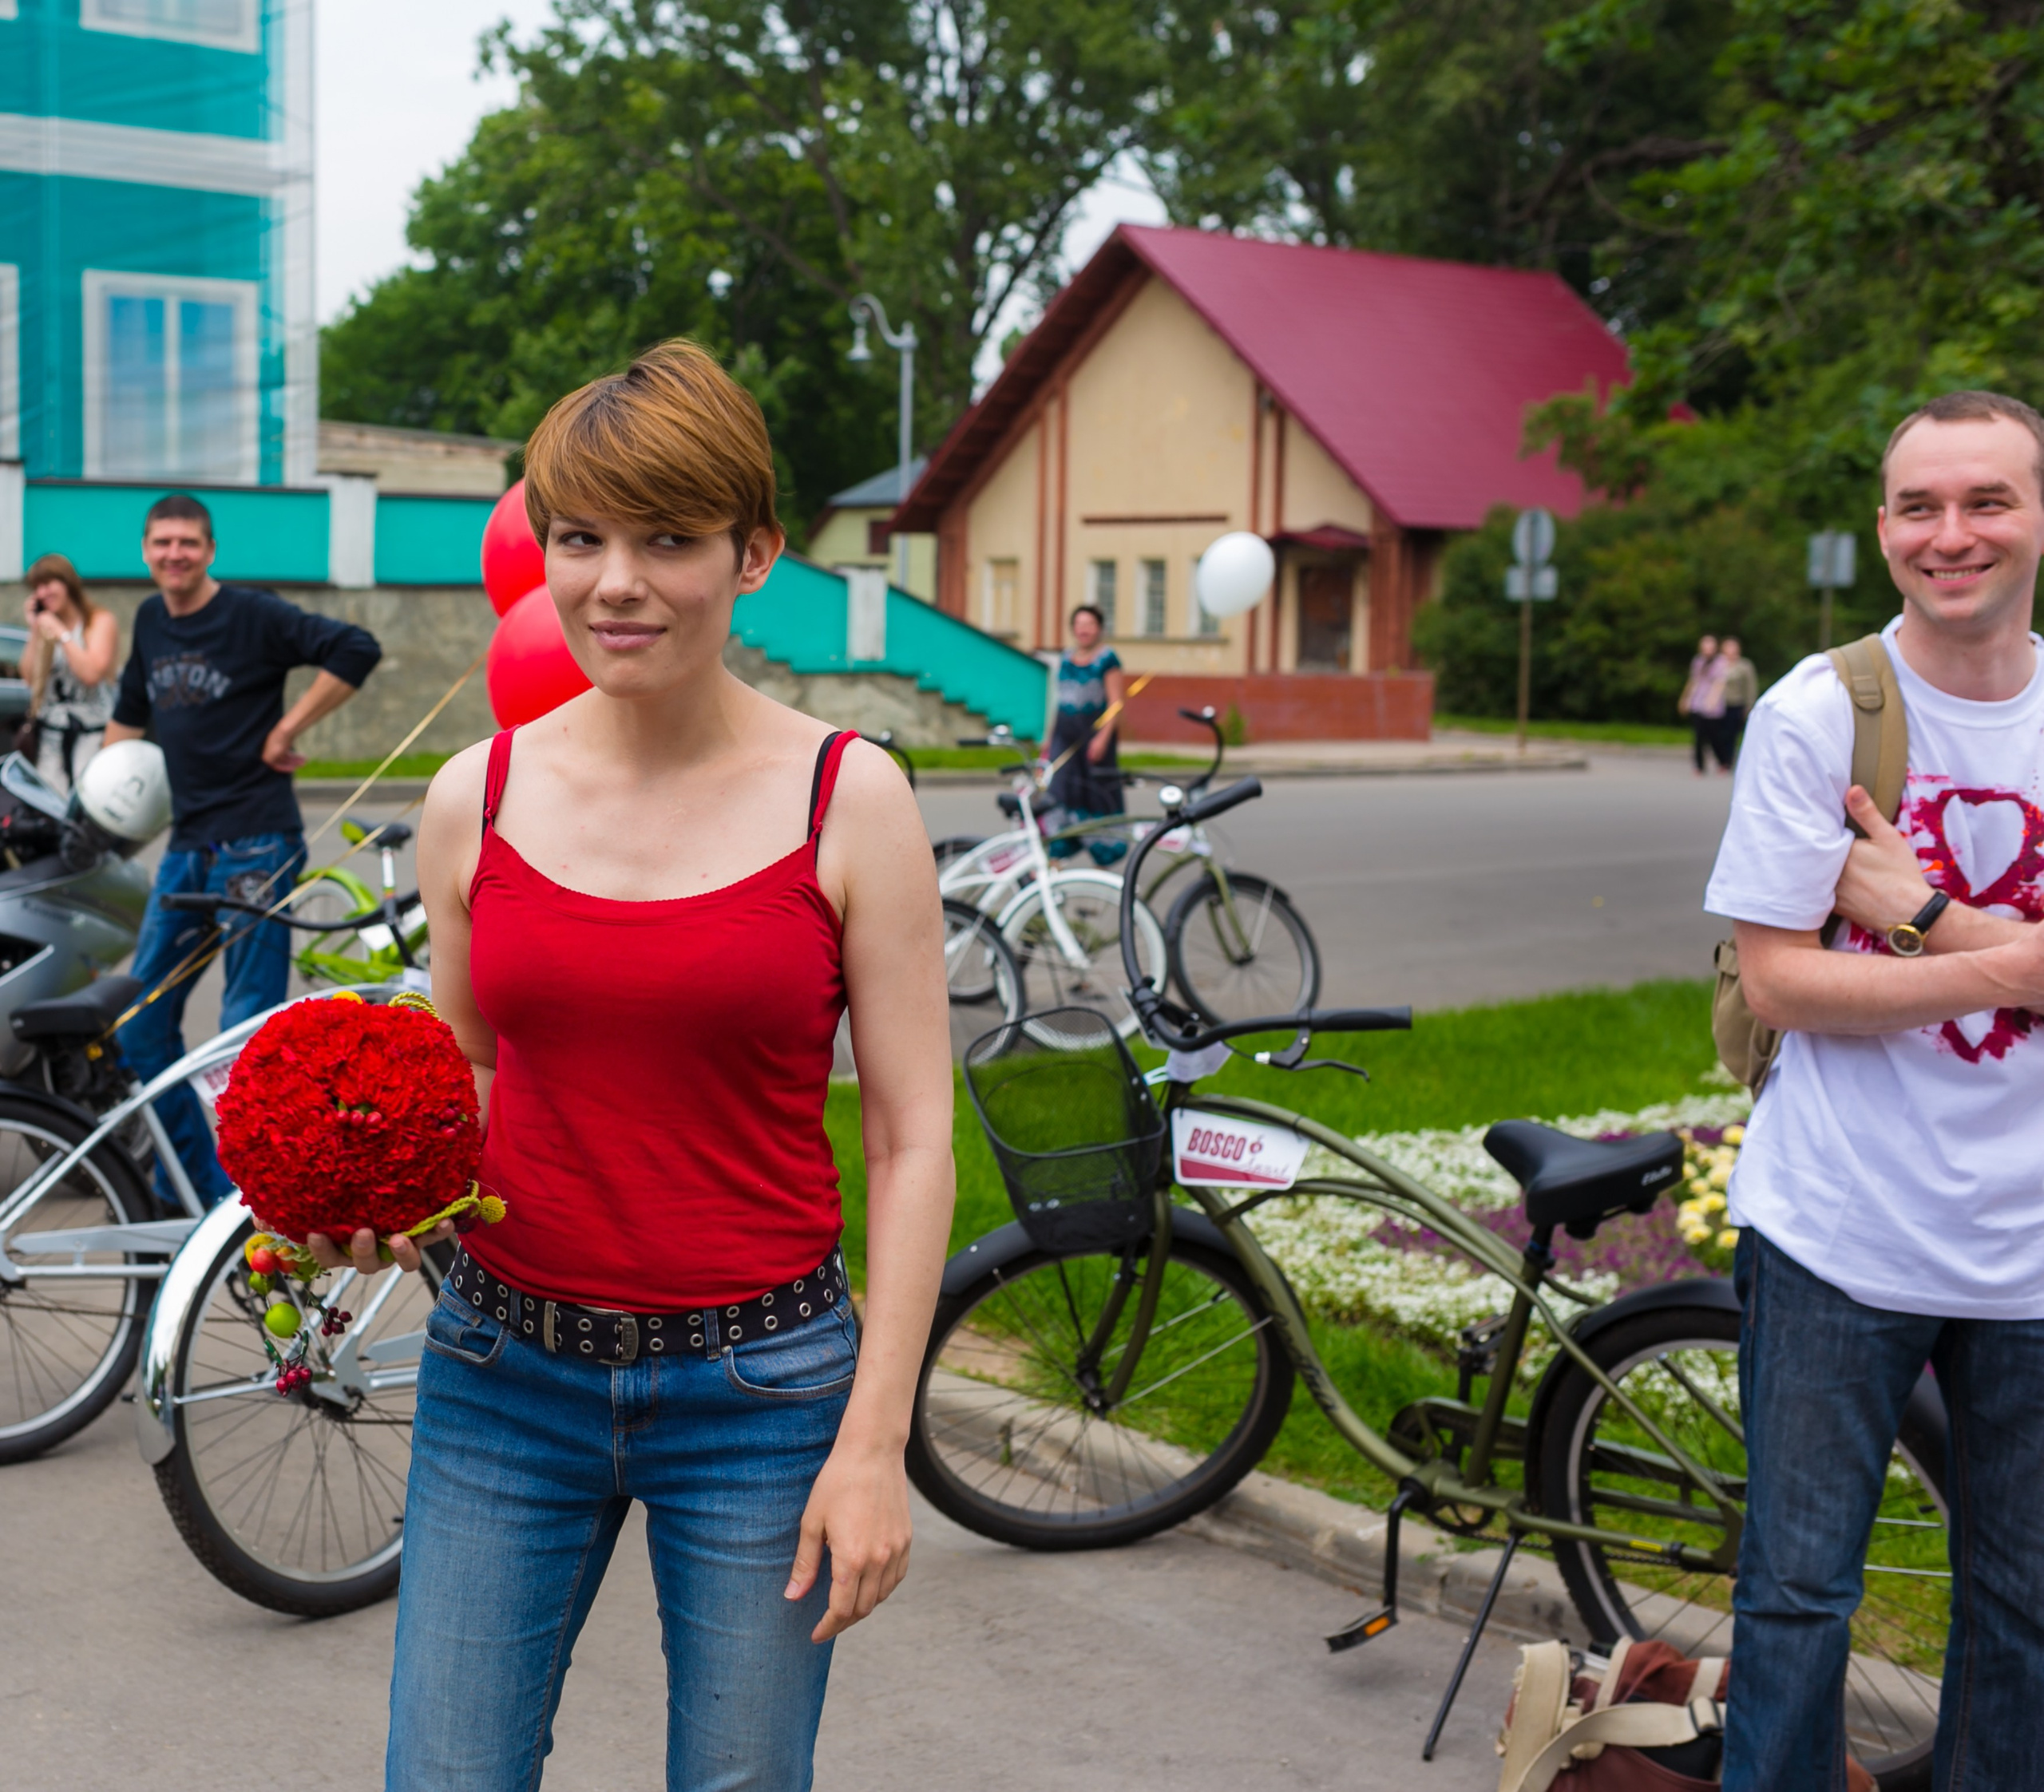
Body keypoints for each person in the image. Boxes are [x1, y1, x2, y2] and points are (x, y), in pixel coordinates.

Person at [317, 339, 955, 1790]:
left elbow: (916, 1138)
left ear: (755, 554)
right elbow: (470, 1062)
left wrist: (875, 1442)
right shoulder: (474, 795)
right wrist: (387, 1193)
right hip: (501, 1375)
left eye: (669, 539)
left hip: (764, 1397)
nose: (617, 582)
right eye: (582, 537)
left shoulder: (849, 798)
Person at [1705, 389, 2044, 1790]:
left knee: (2025, 1616)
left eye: (1988, 501)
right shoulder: (1820, 713)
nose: (1951, 535)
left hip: (2032, 1256)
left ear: (2039, 518)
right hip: (1841, 1235)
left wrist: (1920, 923)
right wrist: (2015, 965)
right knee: (1795, 1606)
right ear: (1885, 527)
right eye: (1920, 506)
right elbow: (1781, 985)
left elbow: (1860, 956)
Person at [106, 493, 381, 1209]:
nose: (175, 554)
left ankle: (245, 1206)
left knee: (243, 1039)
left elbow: (356, 648)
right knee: (140, 1025)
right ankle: (192, 1190)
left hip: (259, 845)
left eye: (188, 542)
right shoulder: (148, 620)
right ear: (145, 549)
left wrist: (287, 727)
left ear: (210, 549)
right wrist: (101, 803)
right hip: (186, 850)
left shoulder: (254, 614)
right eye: (163, 542)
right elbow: (128, 720)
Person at [18, 552, 119, 794]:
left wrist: (62, 634)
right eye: (37, 588)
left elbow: (92, 674)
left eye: (49, 584)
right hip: (50, 739)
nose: (43, 593)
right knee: (50, 807)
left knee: (86, 804)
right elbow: (29, 678)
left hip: (91, 737)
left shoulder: (98, 621)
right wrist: (36, 630)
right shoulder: (44, 627)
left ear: (67, 583)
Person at [1047, 603, 1129, 864]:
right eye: (1079, 625)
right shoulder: (1065, 658)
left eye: (1090, 625)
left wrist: (1103, 738)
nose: (1084, 630)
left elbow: (1116, 702)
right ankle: (1055, 861)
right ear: (1073, 628)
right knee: (1059, 794)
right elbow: (1057, 702)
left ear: (1099, 629)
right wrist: (1048, 741)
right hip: (1065, 740)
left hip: (1093, 743)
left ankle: (1102, 863)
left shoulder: (1108, 659)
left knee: (1096, 796)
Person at [1678, 632, 1727, 775]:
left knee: (1714, 736)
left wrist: (1712, 701)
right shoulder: (1698, 661)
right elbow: (1694, 681)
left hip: (1713, 705)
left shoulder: (1720, 661)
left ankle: (1723, 761)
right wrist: (1685, 699)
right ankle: (1699, 766)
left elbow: (1720, 683)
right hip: (1698, 702)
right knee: (1698, 735)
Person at [1714, 635, 1757, 768]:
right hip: (1717, 705)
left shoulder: (1744, 665)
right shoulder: (1717, 664)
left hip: (1736, 704)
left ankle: (1728, 761)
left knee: (1730, 734)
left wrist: (1750, 705)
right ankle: (1721, 758)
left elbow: (1751, 686)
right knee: (1717, 734)